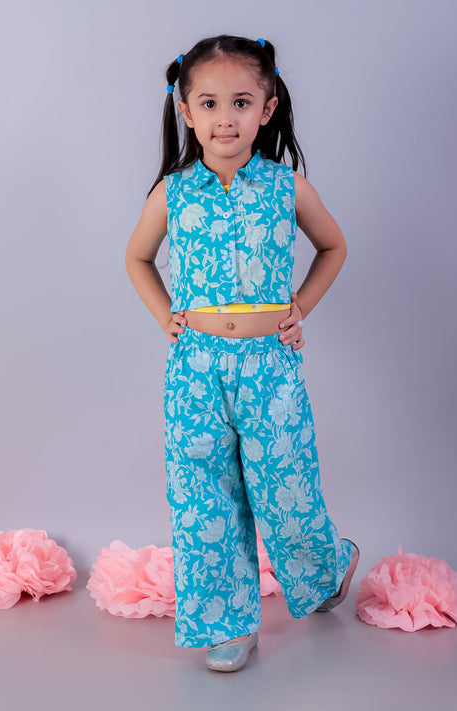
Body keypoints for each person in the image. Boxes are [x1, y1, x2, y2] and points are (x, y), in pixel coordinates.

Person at [125, 34, 360, 673]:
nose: (225, 117)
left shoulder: (287, 187)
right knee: (203, 496)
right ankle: (227, 624)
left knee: (285, 488)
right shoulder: (174, 192)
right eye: (209, 103)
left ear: (268, 107)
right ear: (186, 110)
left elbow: (333, 246)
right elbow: (138, 258)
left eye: (241, 102)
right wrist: (167, 317)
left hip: (269, 368)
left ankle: (326, 567)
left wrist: (300, 307)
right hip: (194, 371)